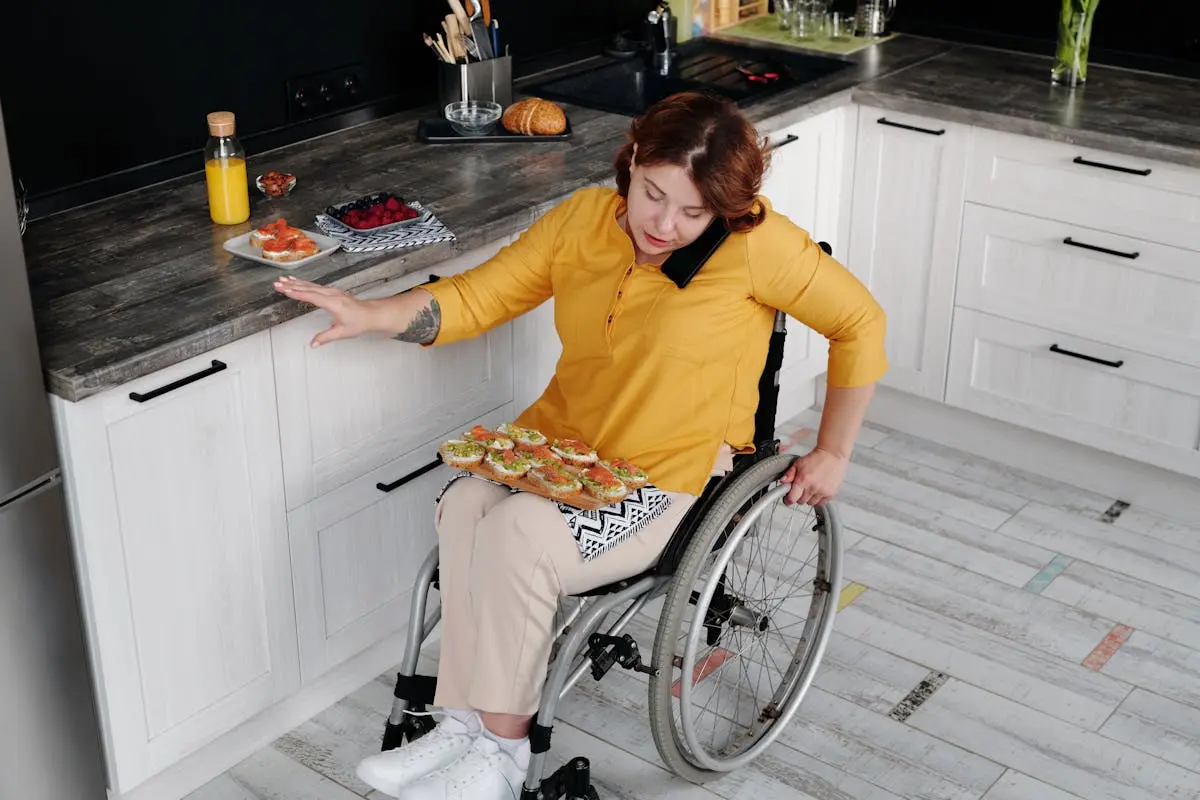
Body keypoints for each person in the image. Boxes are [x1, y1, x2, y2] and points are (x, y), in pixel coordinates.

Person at [273, 90, 887, 800]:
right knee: (467, 501)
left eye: (693, 213)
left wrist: (834, 451)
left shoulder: (758, 247)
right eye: (653, 194)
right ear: (630, 162)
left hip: (668, 474)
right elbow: (480, 296)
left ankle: (501, 754)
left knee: (522, 534)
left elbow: (861, 323)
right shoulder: (581, 224)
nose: (663, 225)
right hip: (562, 448)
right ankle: (463, 725)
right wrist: (371, 313)